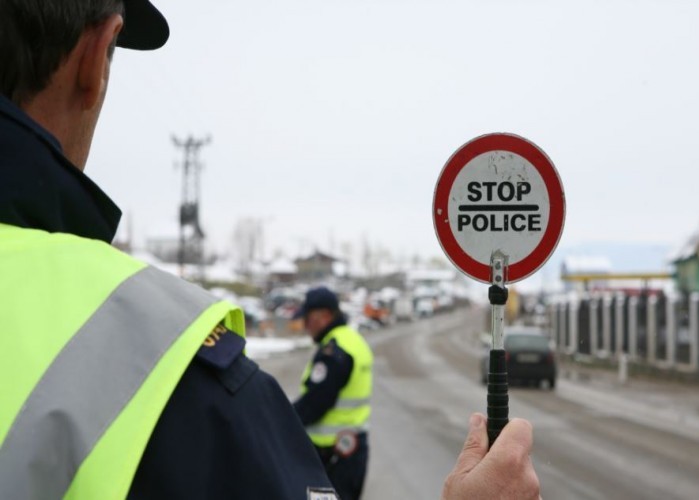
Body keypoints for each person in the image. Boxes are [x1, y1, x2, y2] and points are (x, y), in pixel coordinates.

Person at [0, 1, 541, 499]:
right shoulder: (163, 365)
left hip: (344, 454)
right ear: (96, 57)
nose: (303, 324)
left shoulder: (337, 348)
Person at [292, 287, 373, 500]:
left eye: (308, 319)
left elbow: (316, 402)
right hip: (350, 449)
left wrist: (283, 420)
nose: (305, 326)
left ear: (324, 316)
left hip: (333, 455)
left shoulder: (335, 350)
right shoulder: (352, 340)